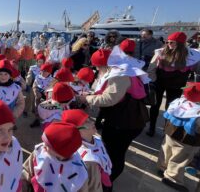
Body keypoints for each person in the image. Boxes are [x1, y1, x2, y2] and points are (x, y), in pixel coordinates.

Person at [77, 48, 149, 182]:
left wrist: (86, 99)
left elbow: (109, 99)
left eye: (98, 67)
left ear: (104, 65)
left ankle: (107, 182)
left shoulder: (119, 75)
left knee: (115, 153)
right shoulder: (120, 69)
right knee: (114, 150)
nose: (97, 70)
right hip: (125, 118)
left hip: (125, 121)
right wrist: (92, 95)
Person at [146, 32, 200, 137]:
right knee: (155, 106)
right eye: (167, 42)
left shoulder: (191, 56)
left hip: (177, 86)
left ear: (180, 44)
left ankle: (167, 130)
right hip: (159, 83)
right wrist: (152, 82)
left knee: (171, 108)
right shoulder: (160, 53)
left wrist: (191, 85)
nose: (169, 44)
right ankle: (151, 127)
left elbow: (197, 71)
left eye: (172, 42)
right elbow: (151, 69)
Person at [157, 83, 200, 192]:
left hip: (171, 132)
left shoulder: (179, 102)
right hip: (188, 140)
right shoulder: (197, 111)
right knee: (180, 158)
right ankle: (172, 178)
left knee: (167, 150)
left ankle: (162, 168)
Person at [22, 122, 88, 192]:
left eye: (48, 145)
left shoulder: (79, 172)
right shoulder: (40, 151)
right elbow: (26, 171)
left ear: (61, 154)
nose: (43, 146)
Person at [62, 110, 113, 192]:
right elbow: (89, 186)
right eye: (86, 122)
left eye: (89, 118)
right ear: (77, 130)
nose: (92, 122)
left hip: (104, 178)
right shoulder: (86, 159)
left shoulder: (96, 139)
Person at [31, 62, 55, 128]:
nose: (43, 73)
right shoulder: (38, 77)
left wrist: (48, 94)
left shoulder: (52, 80)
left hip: (47, 94)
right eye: (42, 71)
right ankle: (37, 119)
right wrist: (36, 91)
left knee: (46, 107)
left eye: (45, 71)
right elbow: (35, 85)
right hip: (39, 92)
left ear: (49, 72)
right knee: (37, 105)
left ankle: (47, 121)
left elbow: (52, 89)